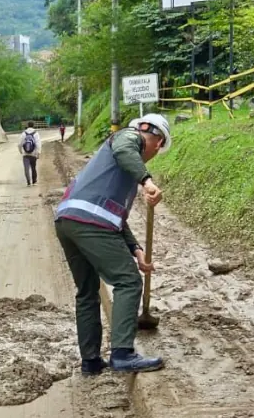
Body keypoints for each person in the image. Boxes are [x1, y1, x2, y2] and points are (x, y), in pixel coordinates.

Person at [54, 113, 171, 375]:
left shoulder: (120, 168)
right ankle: (123, 354)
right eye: (156, 149)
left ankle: (91, 361)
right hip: (89, 224)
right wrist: (148, 181)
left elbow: (112, 214)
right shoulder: (128, 138)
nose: (152, 153)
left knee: (87, 292)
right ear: (158, 142)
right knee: (128, 281)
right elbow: (125, 147)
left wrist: (135, 249)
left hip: (68, 222)